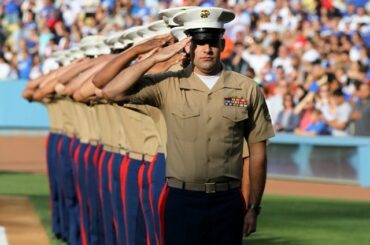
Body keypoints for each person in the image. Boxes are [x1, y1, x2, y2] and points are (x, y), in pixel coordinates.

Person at [101, 7, 274, 244]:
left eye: (213, 41)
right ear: (188, 46)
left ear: (222, 45)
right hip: (182, 199)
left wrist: (253, 206)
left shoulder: (247, 88)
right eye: (200, 41)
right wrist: (153, 58)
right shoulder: (168, 84)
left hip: (228, 200)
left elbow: (258, 154)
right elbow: (110, 91)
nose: (207, 48)